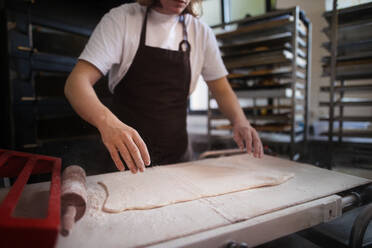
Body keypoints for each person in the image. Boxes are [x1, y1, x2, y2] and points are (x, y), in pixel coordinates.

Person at [64, 0, 264, 174]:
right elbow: (76, 83)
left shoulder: (201, 32)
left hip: (178, 158)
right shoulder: (122, 19)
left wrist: (240, 121)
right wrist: (106, 122)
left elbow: (221, 89)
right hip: (125, 160)